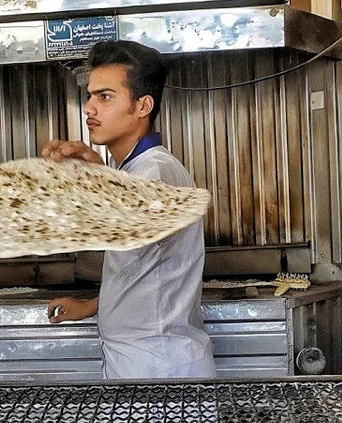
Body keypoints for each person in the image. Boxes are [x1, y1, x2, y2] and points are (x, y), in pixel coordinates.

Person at [42, 41, 215, 380]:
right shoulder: (130, 171)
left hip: (163, 371)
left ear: (142, 106)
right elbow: (142, 270)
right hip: (139, 363)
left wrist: (93, 179)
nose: (89, 108)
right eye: (90, 96)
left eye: (105, 97)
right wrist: (94, 306)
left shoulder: (157, 171)